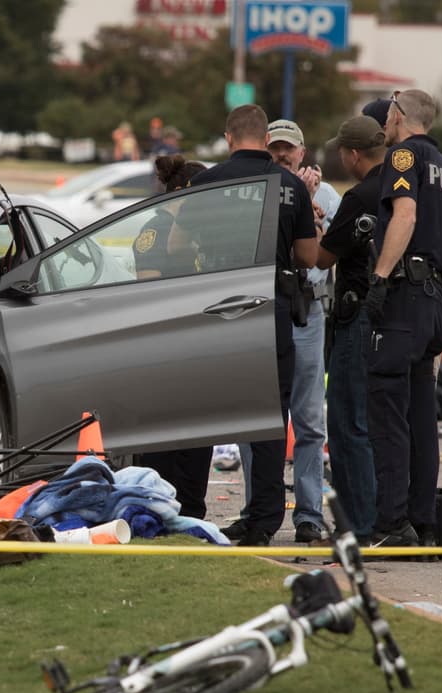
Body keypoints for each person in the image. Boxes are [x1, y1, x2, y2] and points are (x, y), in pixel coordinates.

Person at [177, 105, 316, 546]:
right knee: (269, 422)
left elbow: (177, 243)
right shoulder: (291, 186)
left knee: (202, 413)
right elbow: (309, 258)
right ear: (263, 137)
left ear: (229, 138)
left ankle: (191, 510)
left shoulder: (204, 183)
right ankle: (264, 521)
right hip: (266, 309)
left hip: (213, 309)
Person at [365, 89, 442, 548]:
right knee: (423, 416)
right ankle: (424, 523)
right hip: (436, 300)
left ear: (400, 117)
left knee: (387, 413)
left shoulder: (403, 157)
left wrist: (381, 278)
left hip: (405, 299)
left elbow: (404, 214)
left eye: (388, 114)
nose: (384, 121)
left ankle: (392, 523)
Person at [258, 119, 340, 544]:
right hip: (264, 310)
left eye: (288, 150)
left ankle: (309, 514)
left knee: (309, 421)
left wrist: (313, 213)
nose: (281, 156)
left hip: (306, 313)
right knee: (259, 419)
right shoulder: (258, 189)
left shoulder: (327, 197)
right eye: (274, 150)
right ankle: (258, 511)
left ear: (303, 153)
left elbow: (326, 258)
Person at [315, 115, 388, 542]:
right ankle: (384, 517)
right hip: (392, 318)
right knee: (382, 425)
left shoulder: (359, 197)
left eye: (342, 149)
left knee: (347, 424)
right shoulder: (401, 188)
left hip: (356, 316)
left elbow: (323, 258)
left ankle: (358, 525)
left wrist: (311, 217)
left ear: (354, 154)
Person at [130, 155, 210, 519]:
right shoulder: (155, 229)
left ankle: (192, 508)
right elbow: (149, 290)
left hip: (199, 344)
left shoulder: (204, 230)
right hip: (165, 345)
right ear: (185, 192)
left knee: (198, 434)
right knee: (163, 437)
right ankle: (159, 507)